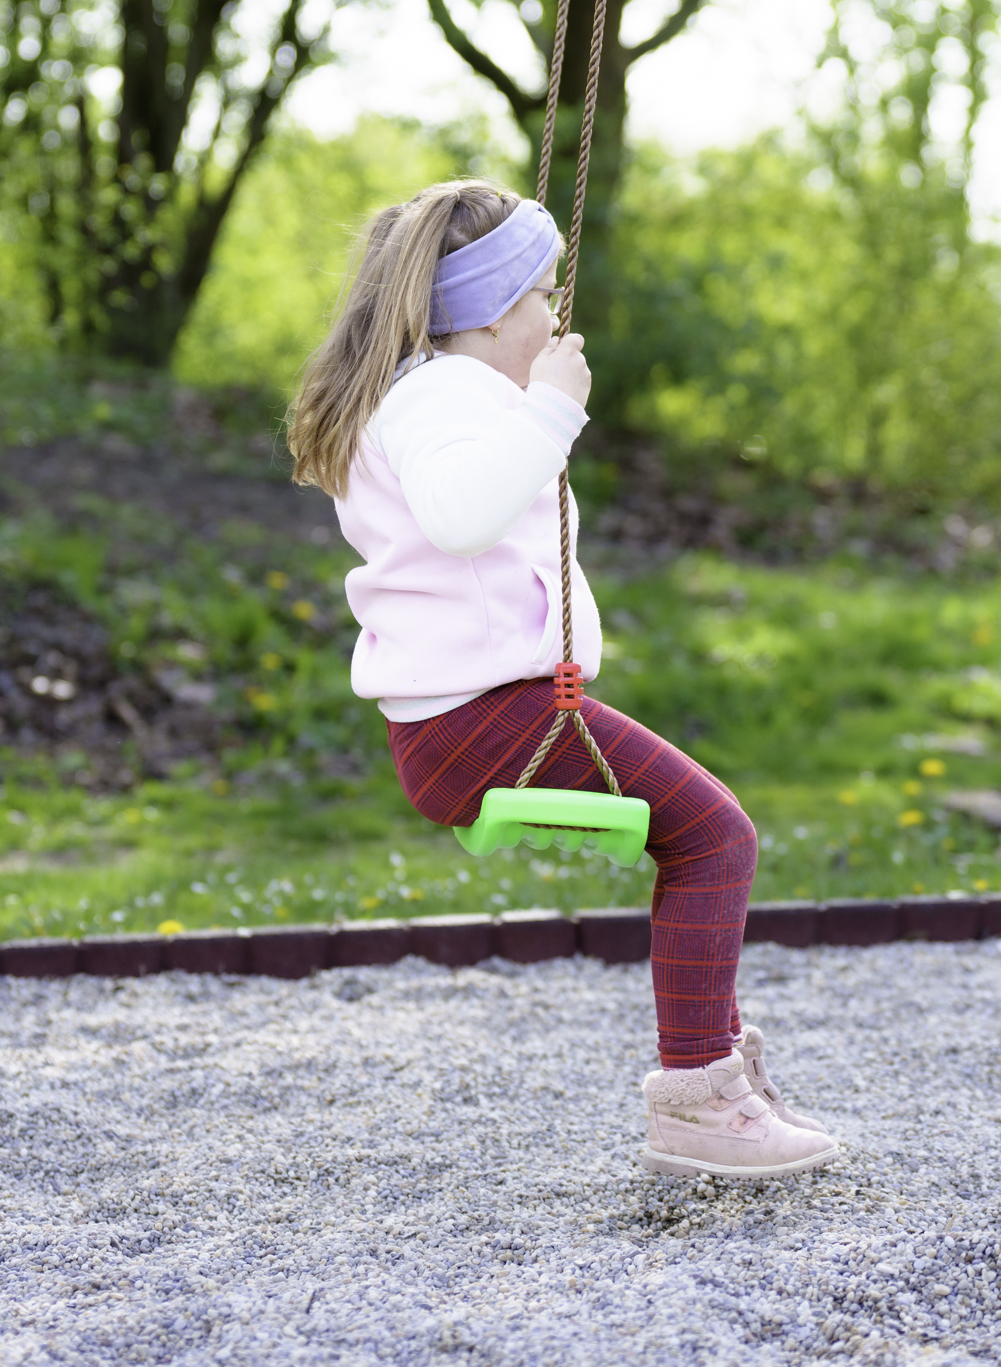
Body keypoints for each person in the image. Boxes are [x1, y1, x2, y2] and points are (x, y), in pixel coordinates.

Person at [288, 180, 841, 1180]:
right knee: (716, 835)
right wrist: (553, 409)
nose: (556, 315)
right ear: (492, 312)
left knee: (700, 835)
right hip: (489, 720)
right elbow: (460, 515)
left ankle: (720, 1082)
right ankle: (701, 1097)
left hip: (464, 722)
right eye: (542, 293)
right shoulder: (447, 397)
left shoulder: (427, 397)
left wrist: (532, 411)